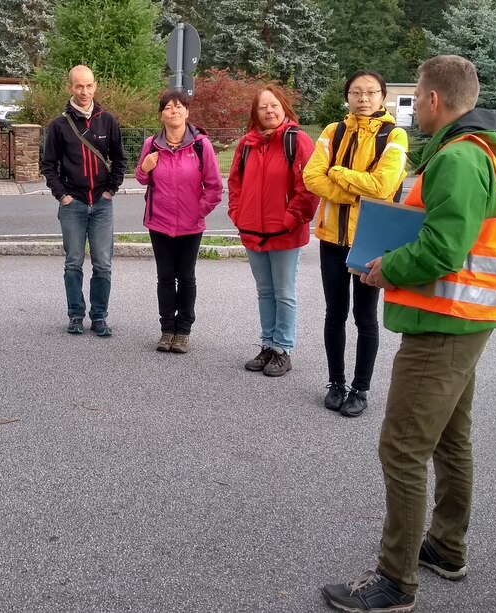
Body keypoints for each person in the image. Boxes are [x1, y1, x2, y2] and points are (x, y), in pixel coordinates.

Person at [321, 55, 496, 613]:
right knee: (451, 437)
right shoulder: (477, 151)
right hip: (464, 321)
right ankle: (446, 549)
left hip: (443, 324)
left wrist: (387, 268)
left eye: (417, 99)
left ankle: (395, 581)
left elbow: (441, 249)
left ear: (434, 100)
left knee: (403, 448)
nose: (414, 110)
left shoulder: (458, 159)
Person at [304, 70, 408, 417]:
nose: (363, 99)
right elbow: (310, 176)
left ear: (382, 96)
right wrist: (351, 191)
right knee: (335, 314)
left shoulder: (394, 136)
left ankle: (360, 389)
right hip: (332, 238)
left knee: (365, 317)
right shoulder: (333, 132)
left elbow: (381, 186)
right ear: (347, 96)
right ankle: (336, 382)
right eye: (356, 93)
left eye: (371, 93)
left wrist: (337, 173)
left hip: (370, 240)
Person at [227, 84, 317, 378]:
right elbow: (236, 185)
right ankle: (268, 344)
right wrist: (237, 214)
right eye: (263, 107)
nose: (269, 111)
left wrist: (291, 219)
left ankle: (282, 350)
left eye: (274, 105)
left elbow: (308, 187)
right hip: (252, 229)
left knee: (284, 292)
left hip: (285, 233)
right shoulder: (246, 144)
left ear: (284, 107)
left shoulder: (297, 141)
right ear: (255, 112)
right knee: (265, 291)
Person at [134, 88, 223, 354]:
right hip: (159, 223)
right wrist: (145, 167)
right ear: (161, 115)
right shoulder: (151, 144)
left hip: (190, 225)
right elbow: (141, 178)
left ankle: (183, 331)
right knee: (164, 277)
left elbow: (215, 187)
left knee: (186, 277)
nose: (174, 110)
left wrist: (199, 211)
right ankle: (166, 330)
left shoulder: (200, 145)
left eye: (179, 106)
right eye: (168, 107)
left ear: (187, 112)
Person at [40, 65, 127, 337]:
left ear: (95, 86)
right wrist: (62, 196)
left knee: (103, 263)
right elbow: (48, 165)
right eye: (79, 86)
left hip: (101, 203)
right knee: (73, 262)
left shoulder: (107, 120)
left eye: (89, 86)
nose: (85, 91)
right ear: (70, 88)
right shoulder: (59, 125)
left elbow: (120, 159)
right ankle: (75, 315)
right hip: (73, 204)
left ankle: (99, 317)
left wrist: (111, 190)